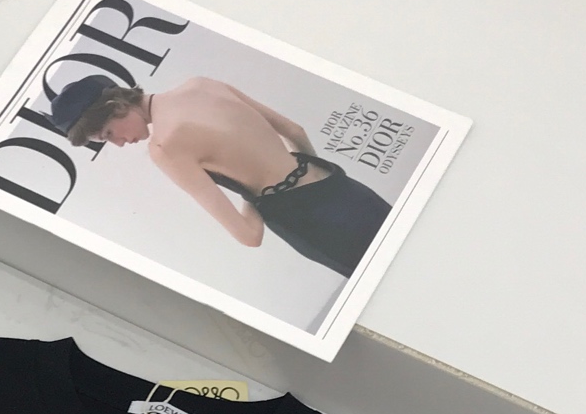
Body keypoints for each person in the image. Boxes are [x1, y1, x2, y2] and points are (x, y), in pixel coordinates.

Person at [50, 73, 391, 280]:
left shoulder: (165, 146)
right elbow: (294, 131)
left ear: (117, 107)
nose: (120, 144)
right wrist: (309, 175)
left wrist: (256, 192)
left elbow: (249, 235)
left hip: (311, 224)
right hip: (341, 186)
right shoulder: (202, 85)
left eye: (109, 134)